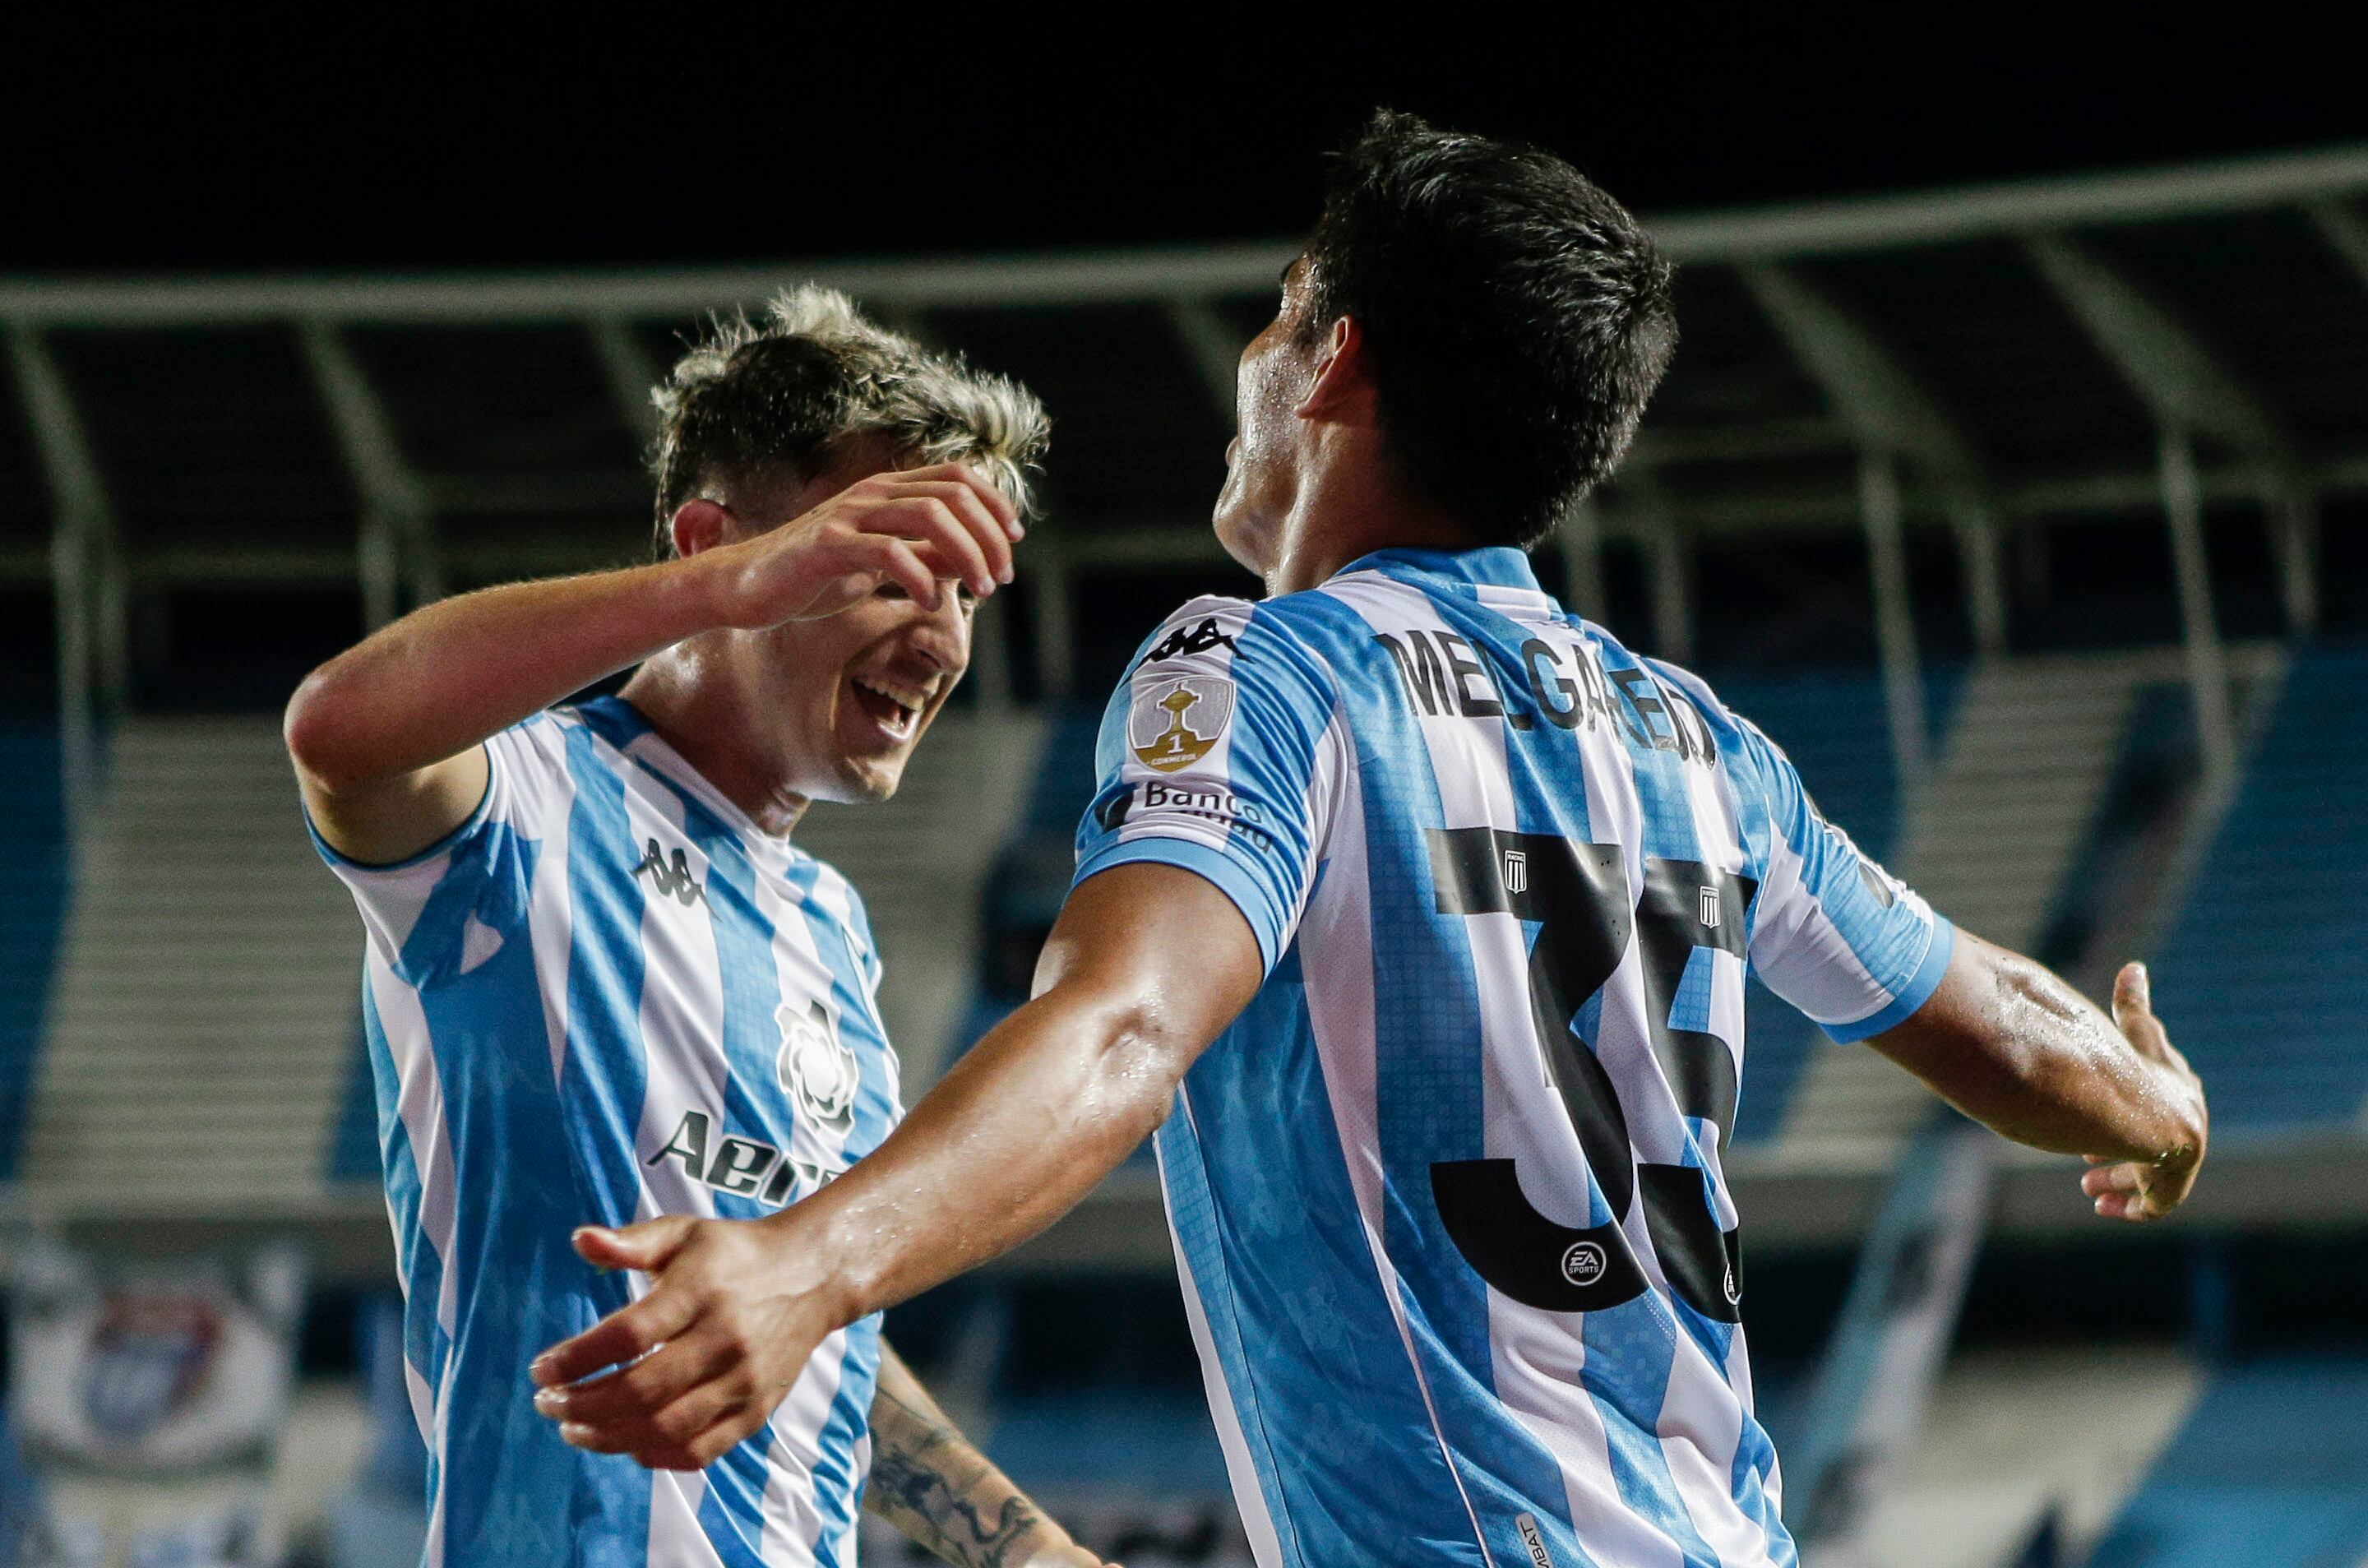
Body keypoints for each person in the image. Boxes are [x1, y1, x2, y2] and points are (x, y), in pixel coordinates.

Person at [529, 116, 2208, 1568]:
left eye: (1275, 321)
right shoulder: (1700, 744)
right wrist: (2155, 1106)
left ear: (1331, 364)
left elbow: (1123, 1027)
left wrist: (805, 1265)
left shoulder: (1265, 673)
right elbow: (1992, 1019)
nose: (1249, 370)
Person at [286, 289, 1110, 1568]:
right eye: (891, 571)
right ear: (720, 547)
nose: (943, 637)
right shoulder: (535, 807)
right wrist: (718, 590)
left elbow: (795, 1325)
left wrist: (1020, 1548)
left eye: (965, 593)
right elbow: (337, 732)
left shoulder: (825, 925)